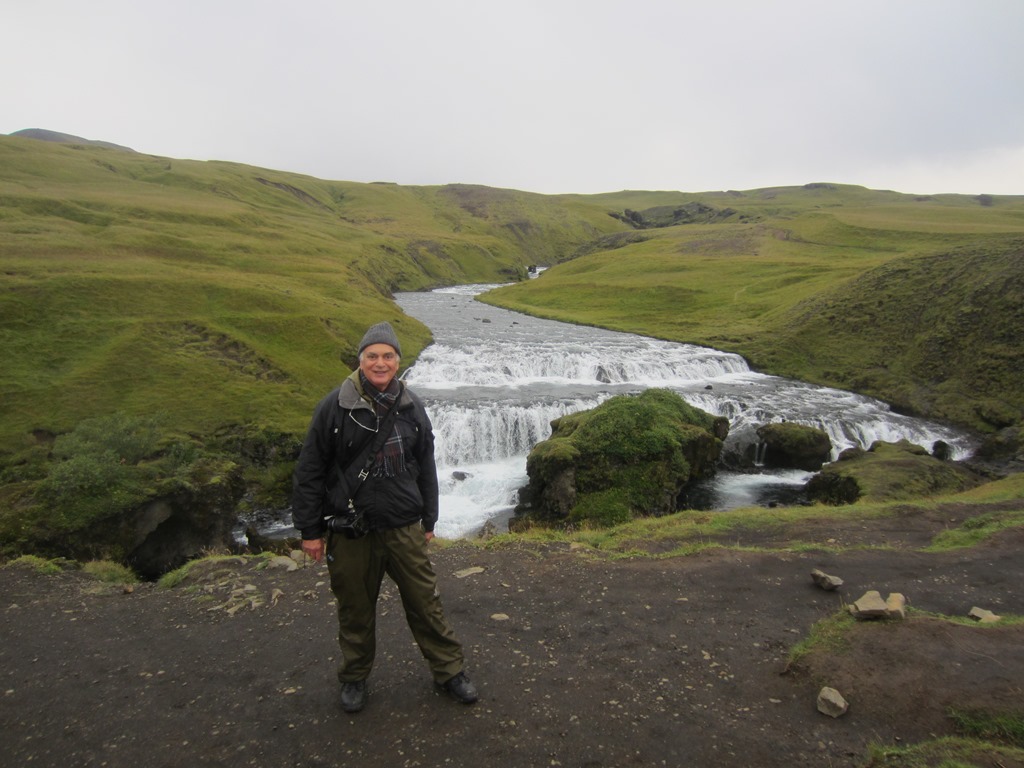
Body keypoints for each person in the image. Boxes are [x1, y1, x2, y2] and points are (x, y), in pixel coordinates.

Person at [291, 321, 478, 713]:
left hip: (403, 525)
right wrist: (310, 530)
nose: (380, 363)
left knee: (426, 603)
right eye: (372, 356)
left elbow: (425, 464)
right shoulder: (334, 406)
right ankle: (354, 678)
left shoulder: (412, 406)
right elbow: (309, 470)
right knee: (355, 609)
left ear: (398, 360)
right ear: (360, 360)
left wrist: (430, 518)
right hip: (351, 529)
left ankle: (450, 672)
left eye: (387, 356)